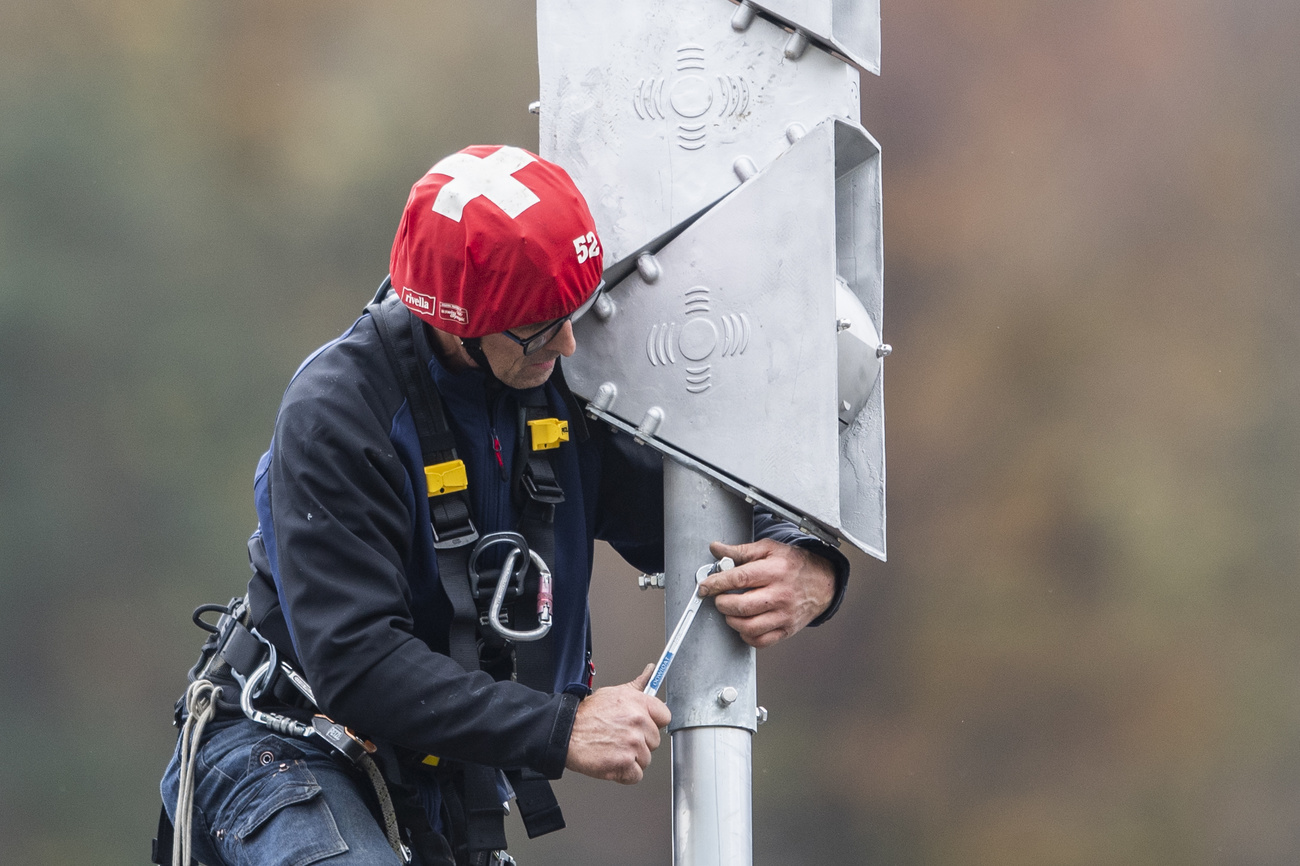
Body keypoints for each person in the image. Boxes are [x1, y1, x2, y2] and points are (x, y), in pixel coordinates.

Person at [157, 145, 850, 866]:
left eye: (571, 312)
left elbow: (693, 512)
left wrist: (808, 562)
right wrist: (562, 729)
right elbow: (357, 665)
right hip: (284, 752)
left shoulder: (561, 386)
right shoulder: (338, 415)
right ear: (457, 323)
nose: (570, 341)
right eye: (540, 325)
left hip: (439, 787)